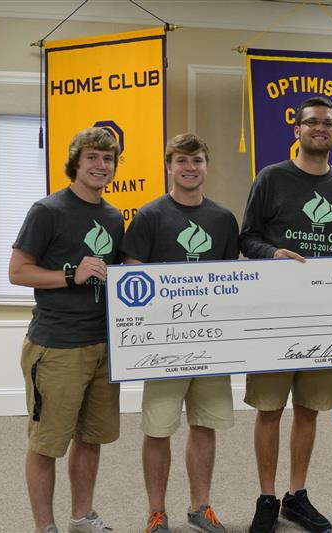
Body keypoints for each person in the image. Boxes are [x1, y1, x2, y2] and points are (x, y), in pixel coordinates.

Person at [239, 96, 332, 533]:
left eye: (327, 123)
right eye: (311, 122)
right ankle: (268, 497)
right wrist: (273, 252)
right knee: (270, 409)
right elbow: (247, 237)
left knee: (309, 409)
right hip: (275, 314)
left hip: (324, 318)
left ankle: (297, 495)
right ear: (297, 130)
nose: (319, 128)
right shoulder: (271, 178)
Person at [120, 133, 239, 533]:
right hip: (163, 347)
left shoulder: (223, 220)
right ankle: (157, 511)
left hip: (209, 344)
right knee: (158, 429)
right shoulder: (150, 216)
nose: (190, 168)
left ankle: (199, 506)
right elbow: (131, 281)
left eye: (198, 161)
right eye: (182, 161)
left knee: (204, 425)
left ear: (207, 166)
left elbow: (232, 282)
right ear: (168, 166)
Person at [9, 127, 125, 533]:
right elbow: (18, 272)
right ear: (75, 162)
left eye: (108, 159)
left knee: (90, 438)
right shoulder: (48, 210)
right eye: (92, 157)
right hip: (57, 346)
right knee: (47, 444)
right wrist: (71, 274)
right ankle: (46, 527)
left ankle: (81, 517)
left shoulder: (113, 217)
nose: (100, 165)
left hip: (104, 345)